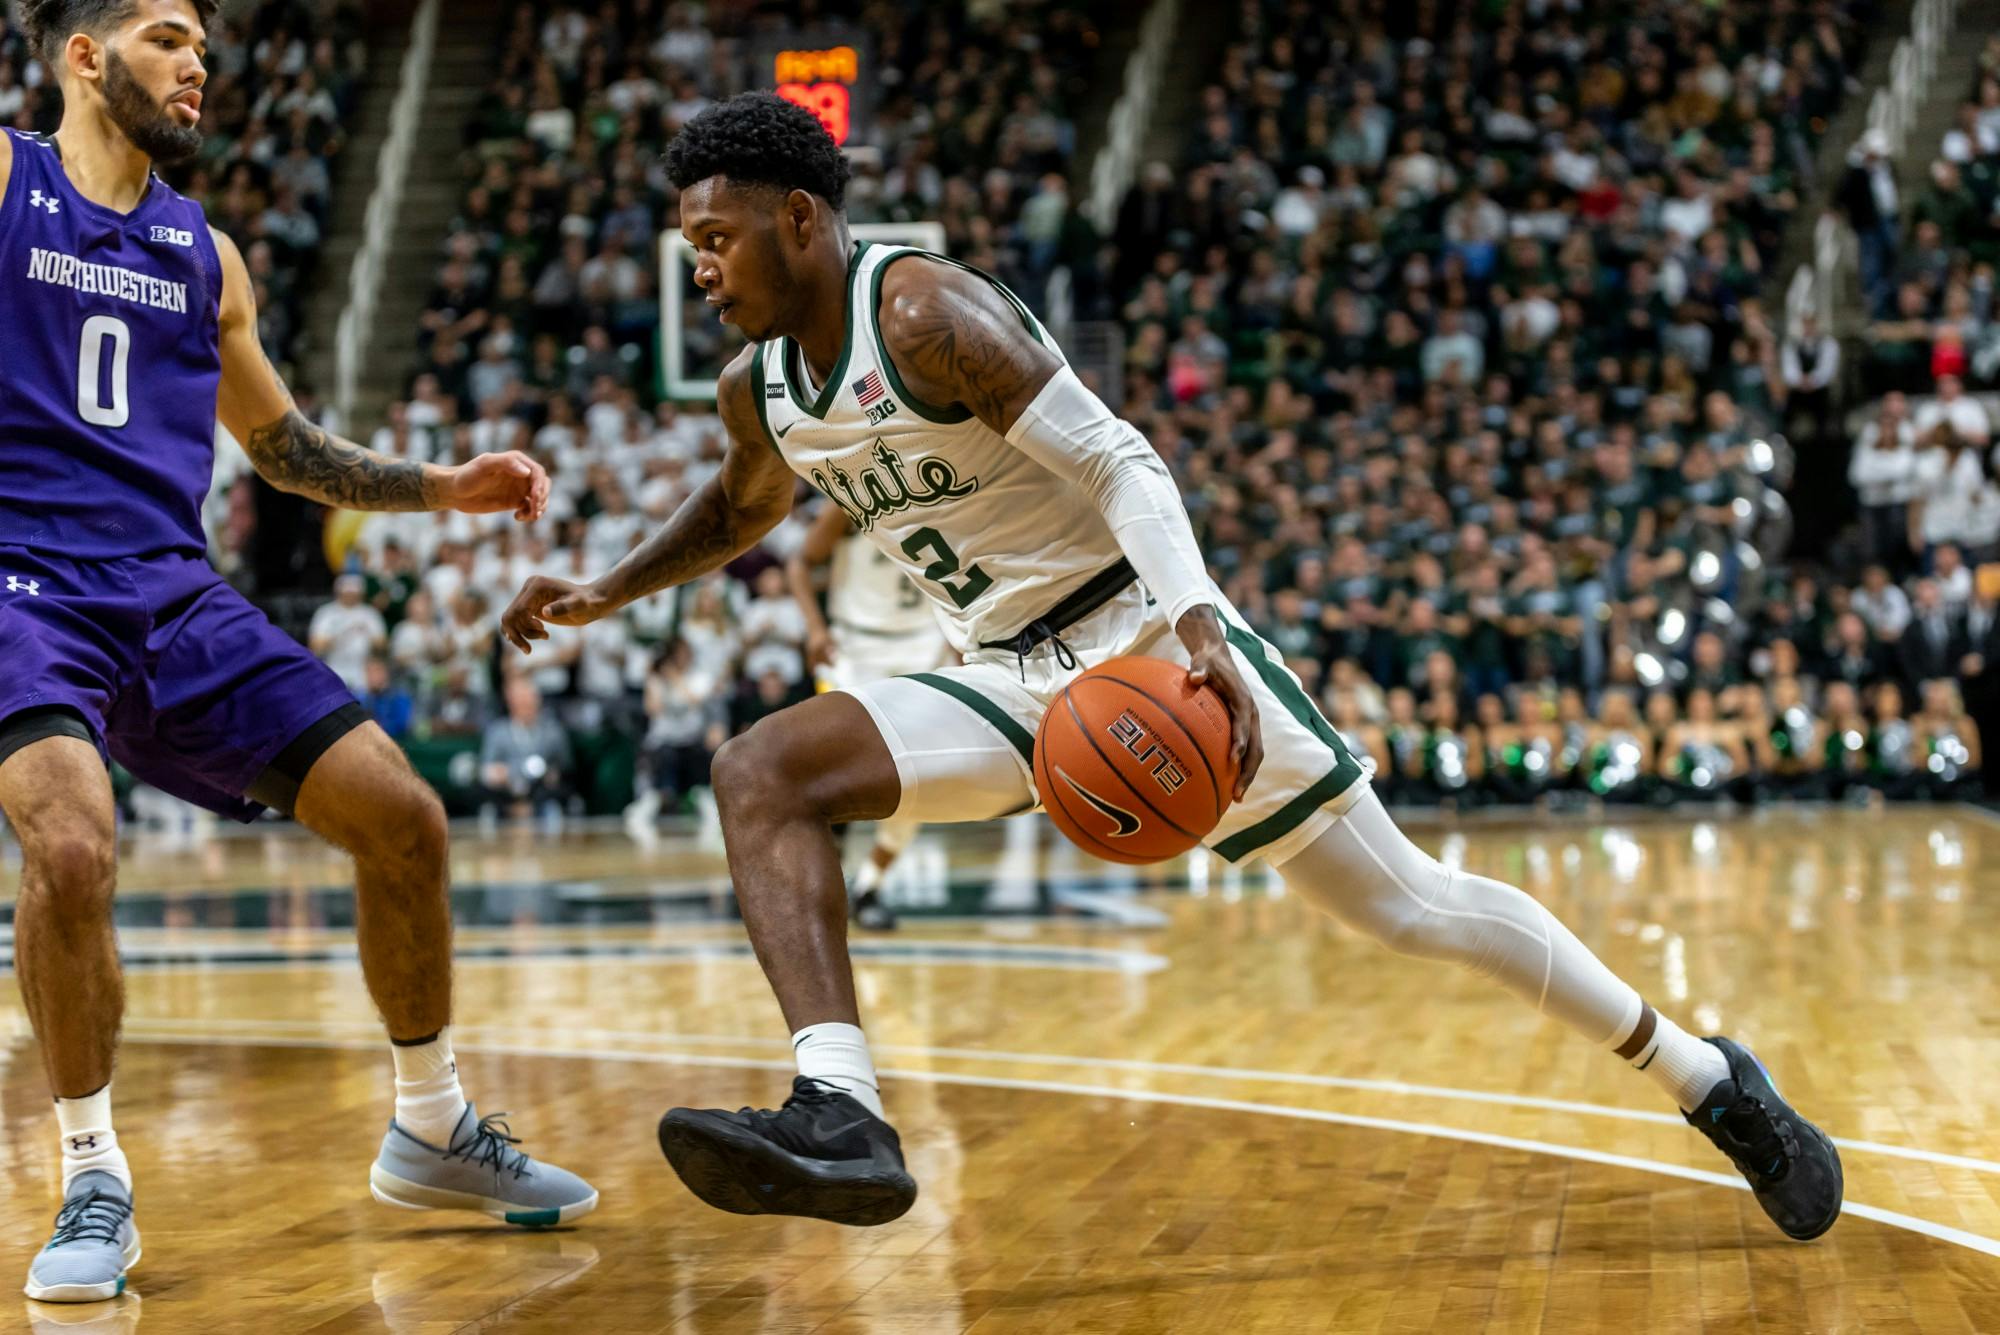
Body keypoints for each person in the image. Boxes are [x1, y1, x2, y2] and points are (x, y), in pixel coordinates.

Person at [501, 93, 1840, 1241]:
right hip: (1002, 675)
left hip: (1143, 640)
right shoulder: (762, 388)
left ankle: (1707, 1074)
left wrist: (1198, 618)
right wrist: (609, 586)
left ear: (799, 218)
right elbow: (743, 506)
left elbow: (1119, 458)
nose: (704, 270)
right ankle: (842, 1108)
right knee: (763, 770)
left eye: (718, 239)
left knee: (1411, 907)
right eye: (691, 249)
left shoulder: (921, 308)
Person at [0, 2, 593, 1303]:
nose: (198, 61)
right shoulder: (7, 180)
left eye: (206, 43)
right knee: (70, 840)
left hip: (168, 585)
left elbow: (281, 447)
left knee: (407, 817)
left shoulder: (207, 257)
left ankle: (431, 1122)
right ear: (84, 58)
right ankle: (92, 1168)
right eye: (167, 36)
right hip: (23, 580)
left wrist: (446, 486)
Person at [786, 501, 955, 930]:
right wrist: (815, 629)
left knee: (919, 779)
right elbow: (800, 565)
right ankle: (821, 880)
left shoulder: (951, 495)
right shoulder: (847, 502)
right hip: (853, 650)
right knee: (837, 767)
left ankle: (869, 887)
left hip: (924, 649)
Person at [478, 674, 572, 821]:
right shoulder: (497, 731)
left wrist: (553, 773)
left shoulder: (553, 731)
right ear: (510, 703)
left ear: (538, 701)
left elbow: (564, 765)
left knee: (556, 796)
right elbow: (486, 770)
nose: (525, 706)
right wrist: (499, 774)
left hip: (541, 792)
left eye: (529, 700)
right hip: (505, 793)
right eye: (520, 701)